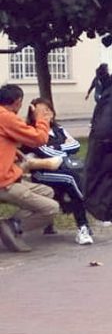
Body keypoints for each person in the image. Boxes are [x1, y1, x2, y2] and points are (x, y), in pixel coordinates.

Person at [23, 98, 93, 245]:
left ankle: (84, 226)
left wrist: (57, 150)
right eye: (42, 111)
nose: (47, 113)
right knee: (71, 179)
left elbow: (76, 145)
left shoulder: (58, 129)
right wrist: (62, 149)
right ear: (33, 114)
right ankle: (88, 212)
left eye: (48, 109)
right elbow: (45, 152)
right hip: (42, 173)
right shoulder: (31, 132)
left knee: (75, 178)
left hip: (63, 169)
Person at [0, 84, 60, 253]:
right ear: (18, 102)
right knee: (51, 208)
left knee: (47, 192)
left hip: (10, 174)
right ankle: (11, 225)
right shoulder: (7, 118)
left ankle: (11, 226)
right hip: (5, 182)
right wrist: (41, 118)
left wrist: (13, 151)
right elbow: (39, 138)